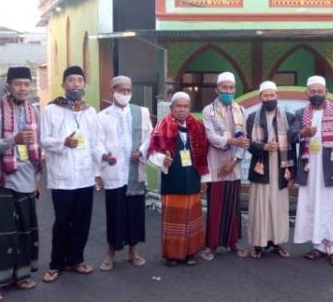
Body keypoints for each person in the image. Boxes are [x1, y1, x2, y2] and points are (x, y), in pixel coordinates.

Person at [0, 67, 42, 302]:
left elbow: (38, 149)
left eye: (26, 84)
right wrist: (13, 140)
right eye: (18, 84)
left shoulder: (33, 111)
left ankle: (20, 275)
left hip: (26, 179)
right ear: (8, 86)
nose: (23, 88)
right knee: (0, 235)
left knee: (25, 232)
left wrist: (37, 180)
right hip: (1, 181)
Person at [40, 65, 107, 283]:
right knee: (62, 221)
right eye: (71, 80)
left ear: (84, 84)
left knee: (82, 221)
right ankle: (56, 264)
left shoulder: (90, 111)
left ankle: (76, 259)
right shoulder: (51, 110)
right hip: (62, 177)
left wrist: (104, 158)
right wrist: (63, 142)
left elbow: (95, 142)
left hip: (85, 176)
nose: (75, 84)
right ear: (63, 84)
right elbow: (43, 140)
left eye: (79, 80)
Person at [291, 75, 333, 266]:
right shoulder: (301, 113)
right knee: (313, 204)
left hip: (331, 167)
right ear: (307, 93)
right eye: (313, 91)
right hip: (310, 167)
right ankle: (319, 246)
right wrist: (302, 133)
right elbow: (291, 135)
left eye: (319, 91)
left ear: (326, 92)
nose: (316, 94)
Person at [96, 76, 153, 271]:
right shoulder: (102, 117)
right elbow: (96, 143)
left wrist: (143, 151)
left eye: (128, 90)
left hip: (134, 171)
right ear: (113, 91)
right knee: (115, 214)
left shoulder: (141, 113)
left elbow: (150, 136)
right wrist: (104, 156)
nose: (126, 94)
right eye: (122, 90)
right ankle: (111, 252)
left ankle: (133, 251)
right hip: (114, 173)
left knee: (135, 214)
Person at [146, 92, 209, 266]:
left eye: (185, 106)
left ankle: (190, 252)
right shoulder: (162, 125)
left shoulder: (196, 127)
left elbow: (203, 154)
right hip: (173, 178)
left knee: (192, 217)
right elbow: (152, 152)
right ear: (171, 108)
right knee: (174, 218)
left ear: (189, 108)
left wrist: (204, 178)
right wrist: (162, 160)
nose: (182, 110)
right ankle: (172, 255)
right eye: (178, 106)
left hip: (193, 178)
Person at [200, 72, 249, 260]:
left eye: (231, 88)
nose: (228, 91)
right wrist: (231, 141)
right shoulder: (208, 111)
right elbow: (211, 136)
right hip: (216, 165)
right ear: (217, 89)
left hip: (233, 167)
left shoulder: (241, 111)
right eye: (224, 88)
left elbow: (244, 140)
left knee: (233, 206)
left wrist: (234, 161)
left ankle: (233, 243)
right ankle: (211, 246)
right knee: (216, 206)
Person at [245, 81, 296, 259]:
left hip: (281, 169)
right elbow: (249, 145)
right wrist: (264, 147)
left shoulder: (288, 117)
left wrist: (293, 172)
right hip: (261, 168)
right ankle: (259, 244)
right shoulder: (252, 117)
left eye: (272, 95)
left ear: (277, 96)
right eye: (265, 96)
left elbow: (292, 145)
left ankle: (277, 243)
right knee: (259, 206)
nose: (269, 99)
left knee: (278, 206)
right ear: (261, 97)